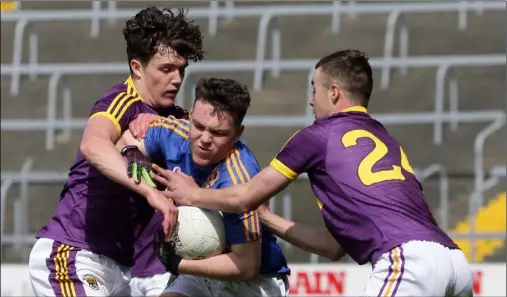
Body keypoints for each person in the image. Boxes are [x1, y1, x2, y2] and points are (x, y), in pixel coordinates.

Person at [151, 49, 474, 296]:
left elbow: (245, 196)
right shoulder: (386, 140)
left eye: (314, 88)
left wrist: (192, 194)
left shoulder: (318, 135)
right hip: (453, 261)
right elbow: (334, 247)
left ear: (333, 92)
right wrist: (268, 218)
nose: (310, 99)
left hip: (407, 260)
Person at [28, 7, 203, 296]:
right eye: (166, 69)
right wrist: (150, 191)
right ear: (137, 67)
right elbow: (93, 143)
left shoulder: (176, 119)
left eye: (181, 69)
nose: (176, 79)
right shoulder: (121, 102)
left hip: (119, 271)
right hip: (73, 256)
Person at [122, 77, 290, 297]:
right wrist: (133, 152)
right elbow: (127, 137)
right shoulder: (175, 133)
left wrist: (177, 264)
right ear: (190, 115)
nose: (204, 139)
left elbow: (247, 265)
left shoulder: (241, 177)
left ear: (238, 133)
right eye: (199, 126)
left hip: (254, 280)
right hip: (200, 270)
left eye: (219, 133)